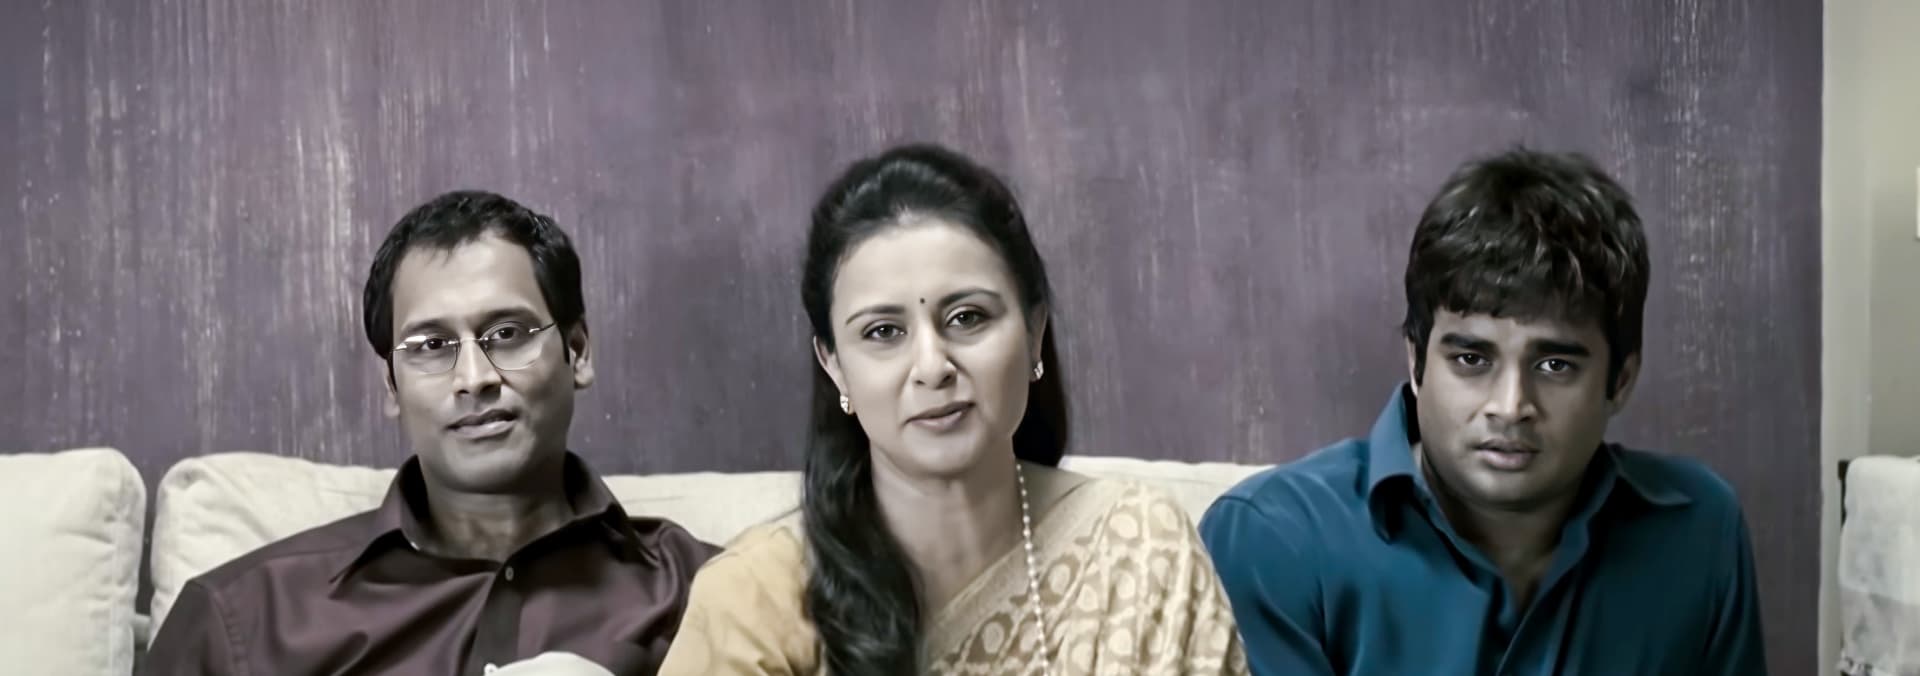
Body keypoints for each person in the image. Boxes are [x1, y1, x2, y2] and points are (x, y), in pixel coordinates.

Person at [657, 144, 1246, 675]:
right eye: (884, 332)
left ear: (1034, 333)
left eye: (967, 318)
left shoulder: (1134, 546)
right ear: (834, 365)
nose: (932, 366)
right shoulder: (754, 599)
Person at [1201, 148, 1768, 675]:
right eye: (1471, 359)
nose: (1510, 407)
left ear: (1620, 381)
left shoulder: (1698, 530)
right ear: (1417, 362)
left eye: (1555, 365)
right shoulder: (1272, 540)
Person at [144, 191, 720, 675]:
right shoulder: (243, 620)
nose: (474, 378)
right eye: (431, 346)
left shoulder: (708, 594)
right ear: (391, 386)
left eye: (508, 333)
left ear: (578, 351)